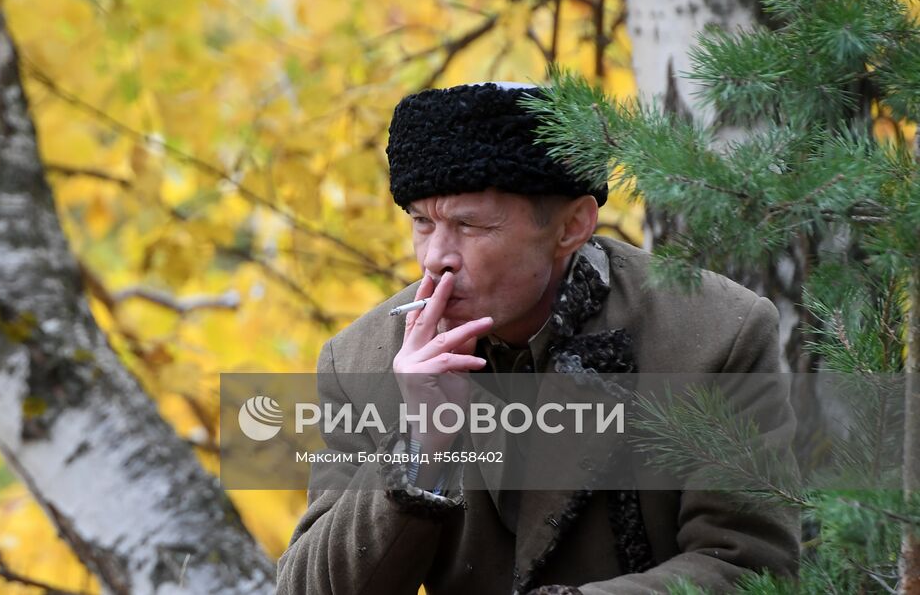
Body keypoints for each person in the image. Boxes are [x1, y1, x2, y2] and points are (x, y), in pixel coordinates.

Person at [276, 82, 799, 594]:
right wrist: (420, 443)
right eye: (421, 223)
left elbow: (749, 565)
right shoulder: (361, 359)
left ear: (572, 226)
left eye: (471, 225)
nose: (437, 257)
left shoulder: (712, 335)